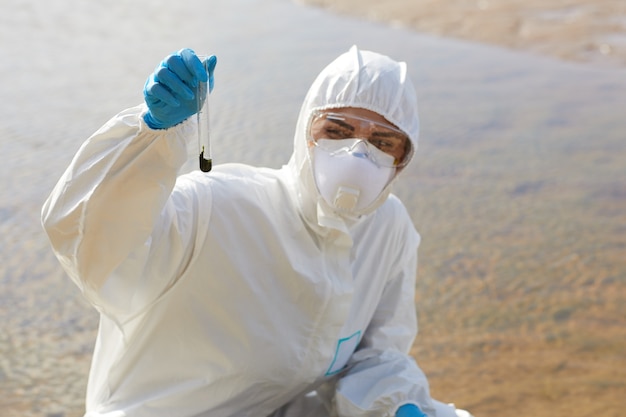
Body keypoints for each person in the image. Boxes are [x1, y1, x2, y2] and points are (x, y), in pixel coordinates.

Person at [41, 46, 473, 417]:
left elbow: (376, 353)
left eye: (383, 142)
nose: (357, 154)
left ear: (404, 158)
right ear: (306, 132)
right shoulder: (218, 207)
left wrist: (397, 404)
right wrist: (148, 137)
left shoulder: (388, 229)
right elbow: (93, 240)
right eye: (337, 131)